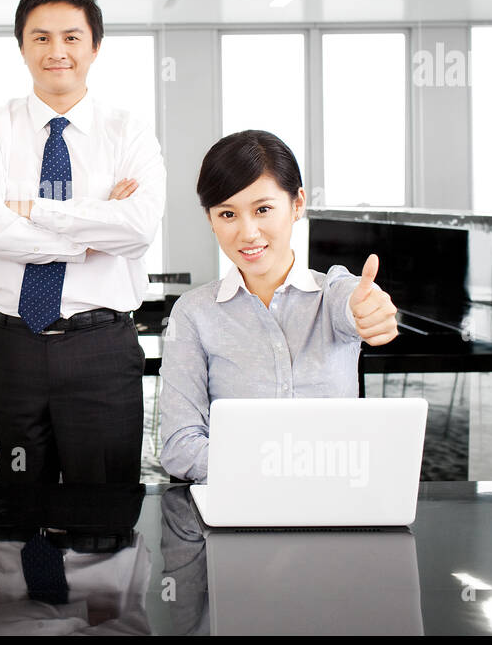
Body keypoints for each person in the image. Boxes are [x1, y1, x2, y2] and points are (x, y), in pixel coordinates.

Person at [0, 0, 166, 484]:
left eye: (72, 37)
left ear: (95, 46)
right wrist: (92, 227)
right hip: (8, 347)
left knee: (105, 515)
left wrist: (32, 211)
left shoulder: (128, 132)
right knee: (8, 514)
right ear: (22, 46)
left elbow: (136, 230)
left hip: (101, 349)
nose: (57, 51)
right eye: (41, 37)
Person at [159, 129, 399, 483]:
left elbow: (353, 301)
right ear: (210, 219)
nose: (248, 232)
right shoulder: (194, 312)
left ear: (297, 204)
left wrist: (372, 311)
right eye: (227, 214)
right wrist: (278, 473)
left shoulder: (331, 294)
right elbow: (180, 446)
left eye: (263, 209)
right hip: (237, 514)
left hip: (334, 508)